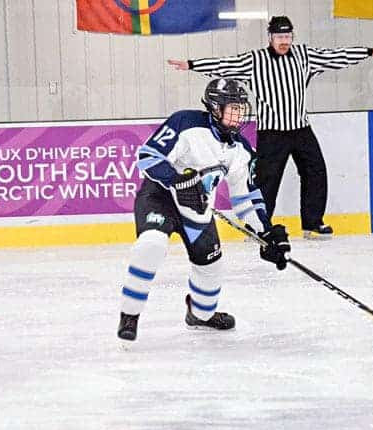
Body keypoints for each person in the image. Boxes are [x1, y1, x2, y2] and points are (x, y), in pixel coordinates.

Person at [168, 15, 373, 240]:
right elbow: (225, 65)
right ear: (270, 37)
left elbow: (335, 56)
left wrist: (369, 52)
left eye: (288, 36)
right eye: (280, 36)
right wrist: (192, 65)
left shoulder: (304, 56)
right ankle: (259, 226)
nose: (284, 41)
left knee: (316, 172)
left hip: (301, 128)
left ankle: (312, 224)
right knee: (266, 180)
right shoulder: (255, 61)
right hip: (272, 132)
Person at [118, 78, 291, 341]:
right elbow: (148, 156)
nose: (239, 115)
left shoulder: (242, 151)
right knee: (151, 244)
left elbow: (245, 198)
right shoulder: (185, 123)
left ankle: (200, 314)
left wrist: (266, 234)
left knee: (212, 268)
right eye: (233, 108)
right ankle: (129, 316)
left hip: (197, 208)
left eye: (241, 109)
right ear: (214, 108)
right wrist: (176, 180)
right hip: (160, 197)